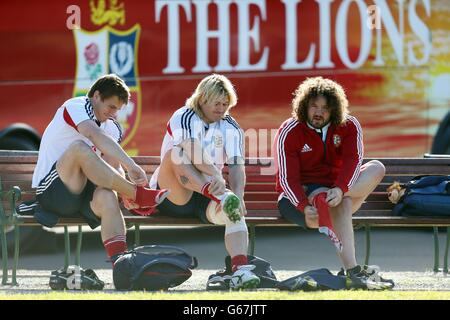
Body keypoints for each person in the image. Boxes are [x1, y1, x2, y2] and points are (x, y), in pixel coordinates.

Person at [32, 74, 169, 267]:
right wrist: (132, 166)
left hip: (83, 193)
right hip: (54, 192)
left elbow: (113, 166)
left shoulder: (112, 126)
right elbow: (94, 135)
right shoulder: (75, 106)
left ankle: (122, 266)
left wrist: (123, 193)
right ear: (96, 96)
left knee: (108, 196)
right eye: (111, 107)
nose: (114, 114)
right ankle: (137, 194)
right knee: (79, 148)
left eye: (118, 110)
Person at [274, 77, 394, 290]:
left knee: (376, 168)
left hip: (339, 190)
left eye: (325, 108)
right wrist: (304, 205)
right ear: (304, 105)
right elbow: (286, 179)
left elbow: (353, 161)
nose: (319, 112)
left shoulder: (349, 125)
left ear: (335, 109)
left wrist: (340, 189)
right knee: (340, 203)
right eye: (314, 106)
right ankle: (353, 271)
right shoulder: (290, 129)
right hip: (303, 197)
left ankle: (352, 271)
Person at [149, 74, 260, 289]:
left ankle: (240, 270)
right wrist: (216, 176)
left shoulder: (230, 125)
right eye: (216, 103)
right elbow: (192, 149)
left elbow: (237, 166)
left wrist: (238, 194)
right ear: (202, 99)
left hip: (207, 197)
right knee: (176, 153)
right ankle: (212, 191)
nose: (221, 108)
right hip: (174, 194)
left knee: (232, 206)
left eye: (225, 104)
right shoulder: (183, 115)